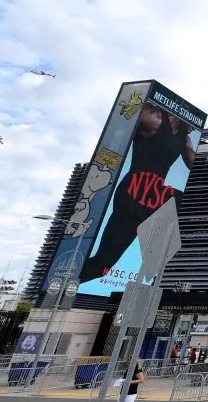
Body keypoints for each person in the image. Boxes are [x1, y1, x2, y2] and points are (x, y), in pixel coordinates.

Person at [80, 104, 196, 284]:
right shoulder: (154, 117)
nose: (194, 127)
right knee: (102, 266)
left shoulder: (184, 138)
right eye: (192, 122)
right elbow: (121, 123)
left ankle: (164, 274)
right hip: (133, 192)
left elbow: (193, 164)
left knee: (189, 203)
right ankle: (63, 283)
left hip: (155, 195)